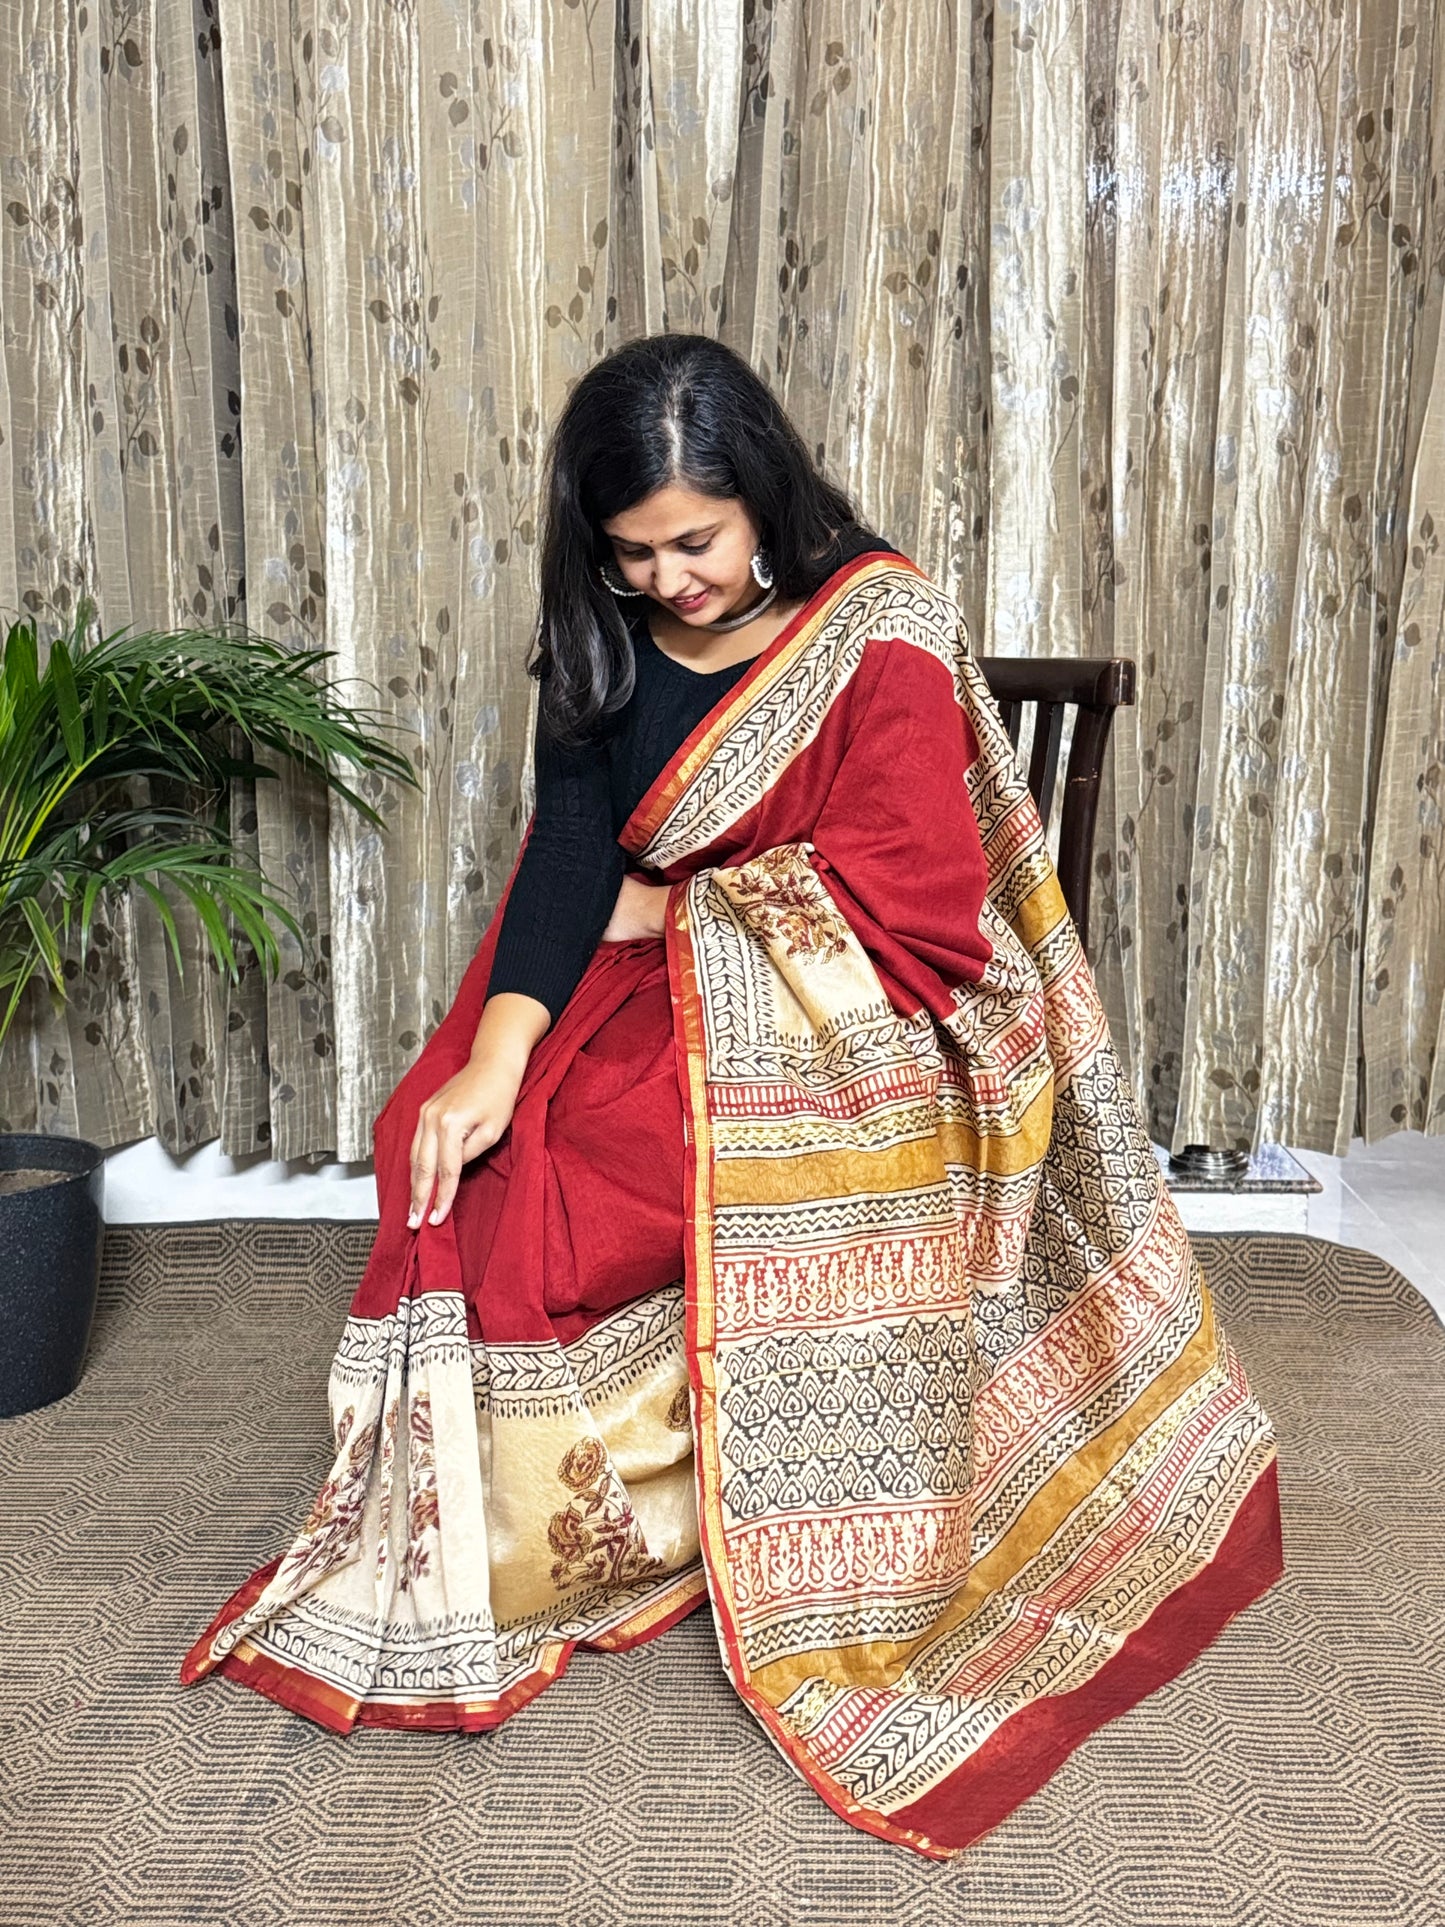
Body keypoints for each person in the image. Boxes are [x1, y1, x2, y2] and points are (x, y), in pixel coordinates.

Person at [183, 334, 1283, 1859]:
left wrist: (680, 920)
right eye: (632, 555)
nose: (669, 580)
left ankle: (664, 1515)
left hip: (846, 1024)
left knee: (604, 1160)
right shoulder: (604, 626)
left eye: (693, 542)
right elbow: (575, 848)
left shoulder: (873, 631)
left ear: (760, 495)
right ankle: (548, 1524)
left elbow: (924, 919)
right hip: (655, 973)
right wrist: (496, 1052)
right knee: (457, 1135)